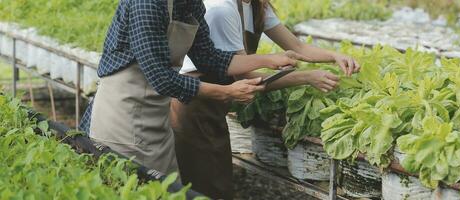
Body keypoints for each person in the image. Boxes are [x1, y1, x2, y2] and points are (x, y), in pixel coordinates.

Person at [79, 0, 303, 176]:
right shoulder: (147, 3)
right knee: (126, 186)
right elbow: (162, 78)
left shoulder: (190, 3)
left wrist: (267, 60)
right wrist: (227, 92)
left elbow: (209, 57)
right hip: (122, 115)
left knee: (166, 189)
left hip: (157, 117)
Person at [171, 0, 361, 199]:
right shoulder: (222, 10)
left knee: (215, 181)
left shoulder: (256, 5)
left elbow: (297, 46)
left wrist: (335, 55)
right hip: (194, 104)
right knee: (204, 186)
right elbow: (245, 76)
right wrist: (306, 77)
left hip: (216, 102)